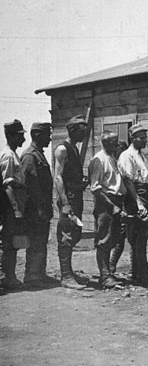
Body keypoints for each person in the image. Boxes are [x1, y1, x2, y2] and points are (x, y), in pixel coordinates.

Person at [53, 115, 89, 290]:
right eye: (82, 131)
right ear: (72, 130)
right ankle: (66, 276)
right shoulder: (62, 149)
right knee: (67, 235)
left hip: (77, 196)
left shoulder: (74, 148)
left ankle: (69, 272)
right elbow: (58, 177)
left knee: (76, 233)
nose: (84, 135)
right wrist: (65, 203)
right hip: (69, 199)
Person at [118, 124, 148, 288]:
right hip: (137, 195)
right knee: (140, 235)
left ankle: (136, 273)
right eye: (141, 137)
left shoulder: (141, 155)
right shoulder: (127, 156)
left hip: (145, 193)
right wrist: (138, 202)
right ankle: (142, 275)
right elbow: (128, 181)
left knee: (141, 236)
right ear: (133, 138)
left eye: (145, 137)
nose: (145, 140)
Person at [88, 131, 127, 289]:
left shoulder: (112, 159)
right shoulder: (98, 160)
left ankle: (108, 273)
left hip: (116, 202)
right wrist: (113, 206)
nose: (116, 145)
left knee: (115, 239)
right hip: (106, 204)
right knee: (104, 240)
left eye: (116, 142)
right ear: (105, 143)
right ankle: (105, 277)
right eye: (113, 142)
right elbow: (95, 188)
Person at [20, 121, 56, 289]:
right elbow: (30, 186)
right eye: (47, 135)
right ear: (36, 135)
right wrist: (40, 207)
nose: (50, 138)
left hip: (42, 207)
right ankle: (32, 276)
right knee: (35, 241)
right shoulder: (30, 156)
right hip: (35, 209)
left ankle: (39, 273)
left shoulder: (38, 154)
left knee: (41, 241)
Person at [0, 120, 29, 290]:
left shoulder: (13, 154)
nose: (23, 140)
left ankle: (9, 276)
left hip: (14, 206)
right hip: (10, 207)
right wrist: (16, 210)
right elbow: (7, 185)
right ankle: (6, 277)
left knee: (12, 242)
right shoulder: (8, 156)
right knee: (8, 242)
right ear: (10, 136)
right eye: (20, 136)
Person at [108, 141, 130, 277]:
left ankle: (111, 267)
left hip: (124, 205)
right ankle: (107, 269)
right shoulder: (112, 165)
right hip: (113, 206)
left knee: (120, 241)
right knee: (112, 239)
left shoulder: (123, 166)